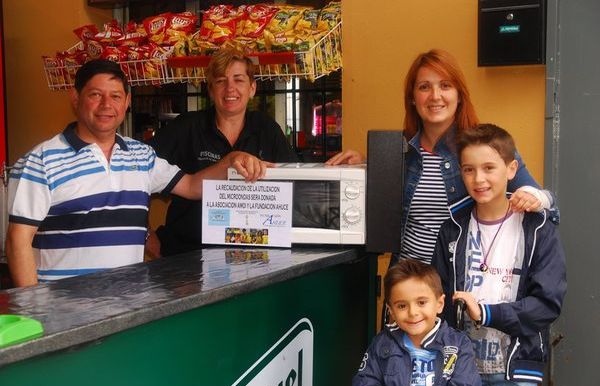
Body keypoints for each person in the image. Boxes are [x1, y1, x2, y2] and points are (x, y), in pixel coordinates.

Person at [5, 59, 267, 287]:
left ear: (127, 102)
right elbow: (18, 241)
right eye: (96, 94)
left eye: (116, 96)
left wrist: (231, 160)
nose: (107, 105)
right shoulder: (40, 161)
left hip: (126, 309)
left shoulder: (142, 156)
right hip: (64, 317)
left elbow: (191, 186)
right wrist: (34, 309)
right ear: (75, 98)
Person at [326, 49, 556, 264]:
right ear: (413, 98)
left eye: (445, 85)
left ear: (459, 95)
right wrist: (366, 165)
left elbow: (549, 210)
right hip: (407, 285)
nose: (435, 96)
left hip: (459, 286)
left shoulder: (485, 147)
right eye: (424, 87)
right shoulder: (399, 153)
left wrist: (535, 197)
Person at [431, 124, 566, 386]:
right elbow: (438, 298)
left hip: (515, 372)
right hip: (459, 371)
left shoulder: (539, 229)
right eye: (469, 169)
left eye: (489, 168)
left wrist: (486, 313)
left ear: (512, 169)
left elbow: (547, 304)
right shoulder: (452, 229)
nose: (478, 178)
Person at [147, 48, 297, 257]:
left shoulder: (267, 129)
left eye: (239, 80)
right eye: (220, 81)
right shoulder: (186, 128)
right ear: (210, 90)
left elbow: (295, 186)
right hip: (187, 259)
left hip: (254, 258)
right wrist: (146, 236)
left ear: (252, 88)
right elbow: (134, 172)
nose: (230, 89)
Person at [352, 259, 481, 386]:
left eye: (421, 302)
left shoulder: (459, 345)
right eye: (402, 306)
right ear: (391, 311)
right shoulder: (382, 343)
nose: (413, 312)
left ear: (439, 303)